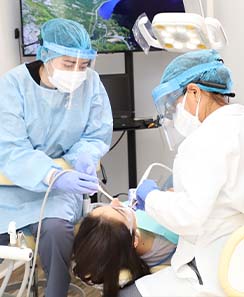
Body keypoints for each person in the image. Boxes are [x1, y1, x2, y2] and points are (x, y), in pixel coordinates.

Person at [0, 18, 113, 297]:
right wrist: (54, 175)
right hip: (12, 187)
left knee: (56, 230)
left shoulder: (92, 83)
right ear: (45, 55)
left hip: (61, 192)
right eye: (68, 63)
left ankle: (56, 291)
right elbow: (10, 149)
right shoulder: (12, 86)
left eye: (83, 65)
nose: (77, 72)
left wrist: (85, 156)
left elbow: (96, 134)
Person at [118, 49, 244, 297]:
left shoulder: (202, 141)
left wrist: (151, 197)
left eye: (173, 104)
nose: (172, 115)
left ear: (194, 92)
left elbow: (189, 217)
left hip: (216, 268)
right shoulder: (237, 124)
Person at [73, 198, 178, 297]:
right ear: (135, 239)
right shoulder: (166, 243)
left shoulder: (112, 244)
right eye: (120, 211)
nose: (116, 201)